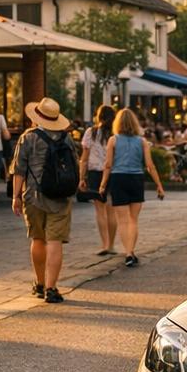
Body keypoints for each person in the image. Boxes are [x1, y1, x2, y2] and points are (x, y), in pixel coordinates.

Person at [11, 96, 79, 304]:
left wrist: (15, 197)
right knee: (55, 241)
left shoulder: (28, 137)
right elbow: (75, 165)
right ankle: (52, 288)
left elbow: (19, 170)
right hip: (60, 197)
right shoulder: (66, 139)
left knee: (38, 239)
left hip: (33, 196)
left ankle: (40, 284)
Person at [99, 108, 165, 267]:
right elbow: (150, 165)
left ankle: (128, 253)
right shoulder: (141, 141)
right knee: (133, 220)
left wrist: (102, 184)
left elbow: (108, 165)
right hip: (136, 178)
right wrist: (159, 185)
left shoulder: (113, 140)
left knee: (122, 221)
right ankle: (131, 252)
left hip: (118, 178)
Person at [80, 104, 117, 257]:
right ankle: (112, 245)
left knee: (100, 211)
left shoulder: (91, 132)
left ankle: (104, 244)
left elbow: (84, 158)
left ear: (99, 117)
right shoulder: (116, 134)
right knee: (111, 210)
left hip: (95, 173)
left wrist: (81, 177)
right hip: (113, 173)